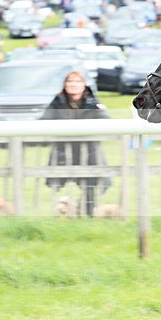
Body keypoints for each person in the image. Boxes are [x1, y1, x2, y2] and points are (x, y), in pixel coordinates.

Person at [41, 71, 110, 216]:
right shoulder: (57, 102)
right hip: (63, 151)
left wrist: (101, 110)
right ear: (65, 84)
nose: (74, 84)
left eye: (78, 81)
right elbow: (43, 121)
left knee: (91, 184)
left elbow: (106, 121)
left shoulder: (92, 102)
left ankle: (86, 213)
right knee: (57, 185)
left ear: (84, 85)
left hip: (89, 151)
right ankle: (62, 213)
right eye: (70, 81)